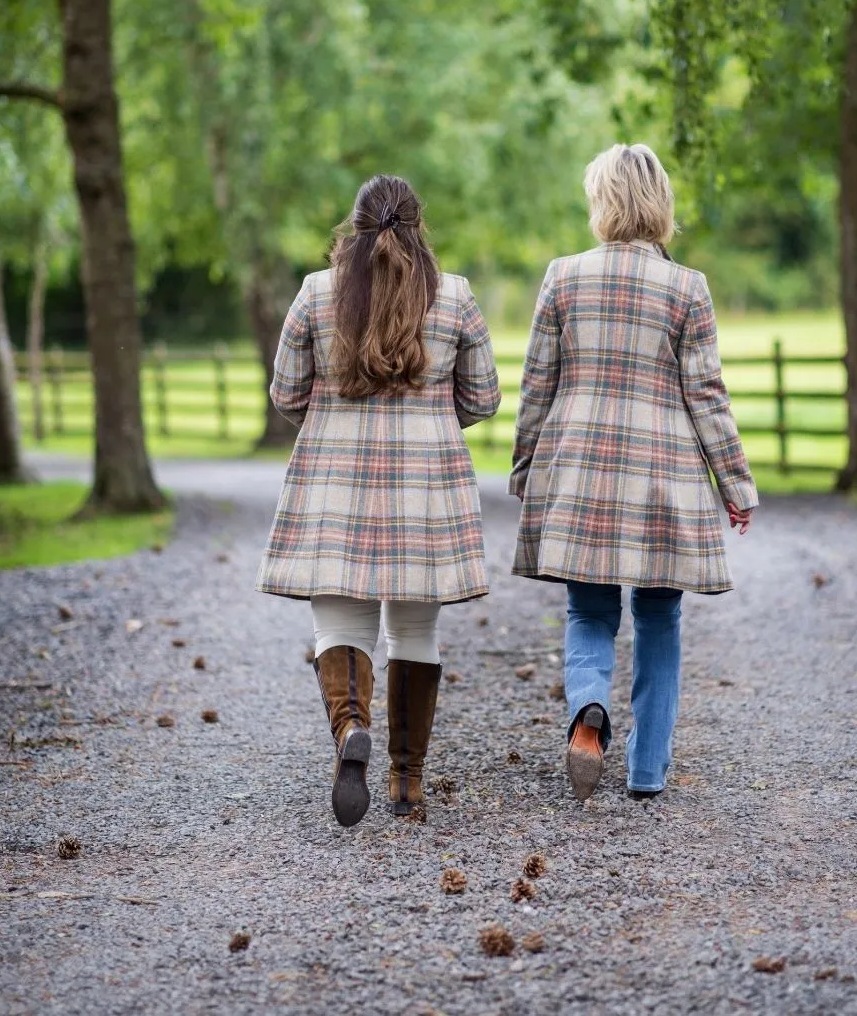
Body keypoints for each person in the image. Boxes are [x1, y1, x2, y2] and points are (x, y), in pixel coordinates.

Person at [510, 143, 756, 802]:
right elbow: (707, 395)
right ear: (660, 206)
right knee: (659, 618)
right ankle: (647, 769)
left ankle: (589, 715)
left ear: (603, 204)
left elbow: (538, 383)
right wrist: (735, 485)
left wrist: (525, 464)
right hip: (662, 474)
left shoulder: (563, 276)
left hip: (581, 467)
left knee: (588, 610)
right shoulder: (688, 287)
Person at [256, 174, 500, 826]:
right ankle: (407, 784)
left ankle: (349, 732)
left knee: (339, 625)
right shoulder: (456, 298)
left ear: (354, 229)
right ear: (419, 229)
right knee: (416, 631)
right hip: (425, 490)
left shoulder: (315, 294)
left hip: (336, 483)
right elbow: (483, 398)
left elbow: (285, 394)